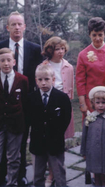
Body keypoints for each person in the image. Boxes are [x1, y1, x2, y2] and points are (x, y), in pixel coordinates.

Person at [0, 11, 43, 186]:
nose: (17, 27)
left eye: (20, 24)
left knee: (19, 142)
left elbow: (38, 77)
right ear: (8, 27)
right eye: (13, 24)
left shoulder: (34, 49)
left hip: (25, 104)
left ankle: (20, 175)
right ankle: (1, 175)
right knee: (2, 142)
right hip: (3, 105)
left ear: (25, 27)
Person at [0, 48, 29, 187]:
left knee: (14, 159)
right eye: (2, 61)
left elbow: (25, 102)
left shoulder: (23, 80)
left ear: (14, 62)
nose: (6, 63)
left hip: (16, 124)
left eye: (9, 60)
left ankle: (12, 183)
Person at [27, 63, 71, 187]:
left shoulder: (62, 97)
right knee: (37, 174)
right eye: (40, 80)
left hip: (55, 141)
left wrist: (57, 132)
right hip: (37, 142)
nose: (44, 83)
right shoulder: (31, 98)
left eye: (47, 79)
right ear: (36, 81)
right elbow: (28, 118)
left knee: (59, 172)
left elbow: (66, 118)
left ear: (53, 79)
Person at [42, 36, 74, 187]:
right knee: (49, 140)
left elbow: (70, 90)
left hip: (62, 105)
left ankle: (57, 172)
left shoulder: (68, 67)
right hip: (48, 105)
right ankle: (51, 173)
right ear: (50, 50)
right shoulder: (44, 66)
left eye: (62, 49)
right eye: (57, 49)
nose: (61, 52)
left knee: (59, 140)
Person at [80, 86, 105, 187]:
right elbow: (84, 136)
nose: (101, 105)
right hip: (93, 153)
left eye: (104, 102)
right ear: (93, 103)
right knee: (96, 175)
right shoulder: (90, 119)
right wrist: (83, 151)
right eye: (97, 103)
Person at [76, 17, 105, 118]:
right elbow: (80, 81)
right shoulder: (83, 54)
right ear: (89, 34)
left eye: (100, 35)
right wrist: (82, 103)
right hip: (91, 101)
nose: (97, 38)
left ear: (104, 34)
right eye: (94, 35)